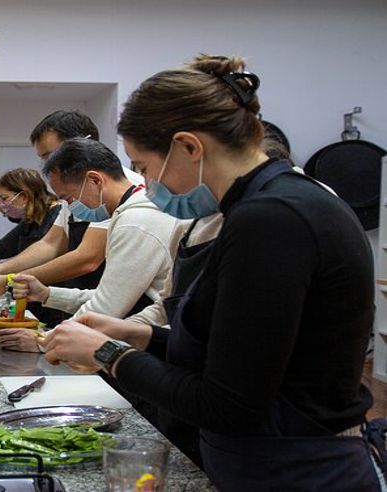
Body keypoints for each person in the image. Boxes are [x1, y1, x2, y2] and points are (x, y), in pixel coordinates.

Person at [42, 55, 387, 491]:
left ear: (189, 146)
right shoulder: (265, 207)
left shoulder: (272, 219)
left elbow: (229, 403)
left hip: (296, 469)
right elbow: (238, 350)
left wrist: (108, 354)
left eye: (146, 168)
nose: (147, 186)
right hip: (265, 461)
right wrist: (141, 335)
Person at [0, 111, 144, 332]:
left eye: (51, 155)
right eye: (43, 159)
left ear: (80, 145)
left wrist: (8, 281)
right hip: (86, 305)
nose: (48, 165)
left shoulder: (123, 194)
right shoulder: (78, 192)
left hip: (117, 318)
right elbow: (51, 244)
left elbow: (87, 258)